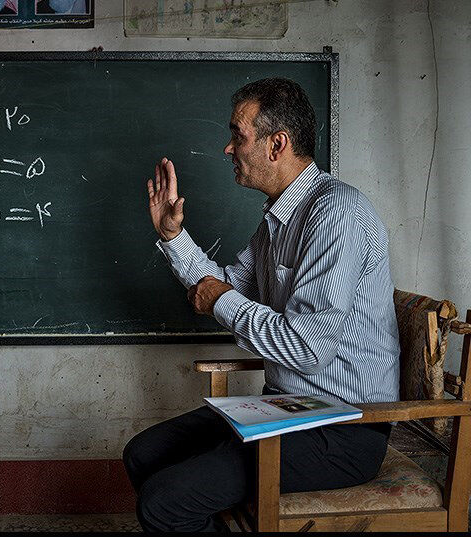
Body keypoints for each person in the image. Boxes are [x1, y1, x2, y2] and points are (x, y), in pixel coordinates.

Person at [123, 78, 400, 532]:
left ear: (277, 144)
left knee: (163, 503)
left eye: (238, 135)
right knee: (144, 454)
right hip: (289, 409)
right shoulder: (278, 218)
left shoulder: (336, 214)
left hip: (342, 430)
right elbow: (226, 287)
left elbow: (309, 350)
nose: (228, 149)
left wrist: (222, 301)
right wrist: (173, 236)